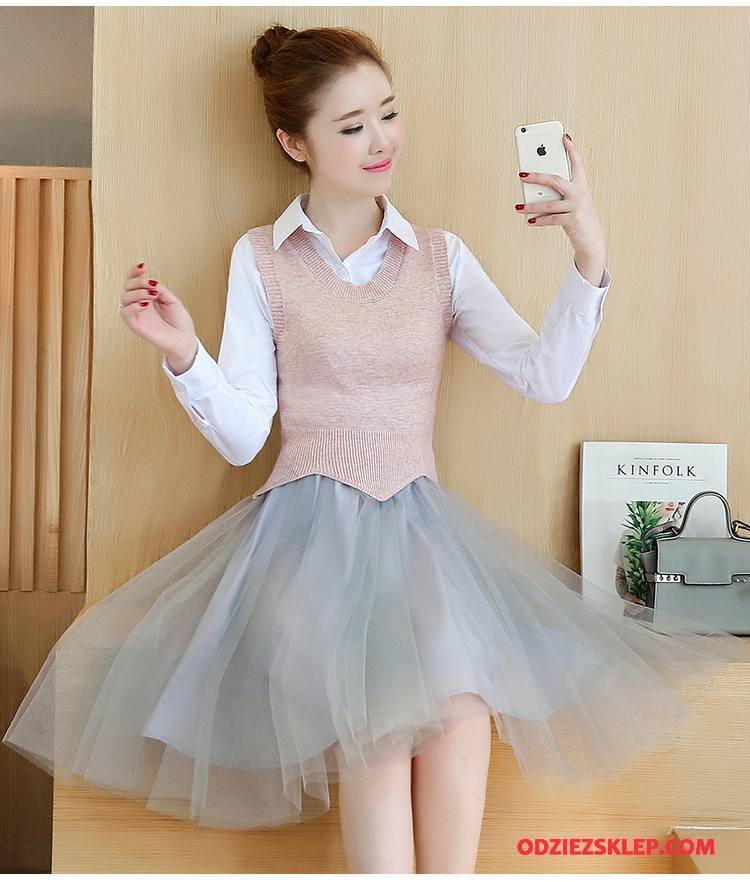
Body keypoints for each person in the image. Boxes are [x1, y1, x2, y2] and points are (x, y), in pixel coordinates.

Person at [3, 23, 749, 875]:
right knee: (380, 727)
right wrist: (185, 355)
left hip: (418, 527)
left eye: (387, 114)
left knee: (462, 711)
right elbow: (245, 435)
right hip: (306, 537)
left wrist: (589, 249)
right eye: (352, 125)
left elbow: (544, 377)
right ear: (295, 143)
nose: (381, 140)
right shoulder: (261, 258)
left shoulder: (439, 258)